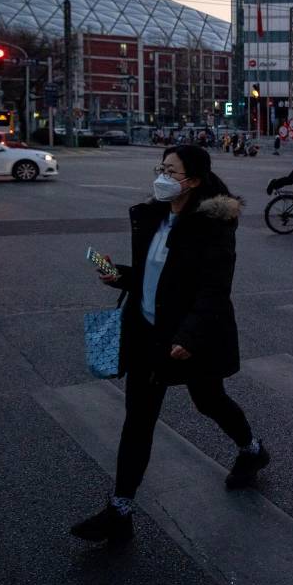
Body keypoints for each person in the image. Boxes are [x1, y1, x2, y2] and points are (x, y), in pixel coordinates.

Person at [71, 146, 267, 546]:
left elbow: (214, 290)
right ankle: (120, 510)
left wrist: (189, 336)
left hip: (193, 336)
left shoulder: (212, 226)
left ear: (192, 181)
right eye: (160, 167)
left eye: (170, 171)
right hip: (148, 333)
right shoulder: (154, 215)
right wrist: (118, 275)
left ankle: (251, 449)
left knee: (209, 401)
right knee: (138, 421)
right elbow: (153, 276)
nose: (161, 176)